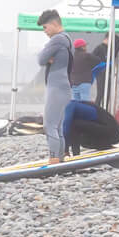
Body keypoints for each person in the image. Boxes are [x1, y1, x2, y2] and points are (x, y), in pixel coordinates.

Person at [32, 9, 72, 165]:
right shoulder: (67, 37)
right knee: (58, 126)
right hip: (63, 86)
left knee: (49, 125)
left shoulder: (57, 39)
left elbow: (41, 59)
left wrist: (47, 56)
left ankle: (54, 160)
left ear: (54, 24)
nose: (45, 32)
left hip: (56, 86)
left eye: (45, 28)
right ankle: (59, 158)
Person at [68, 38, 98, 104]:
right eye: (85, 46)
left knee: (76, 104)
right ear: (82, 47)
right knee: (85, 104)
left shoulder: (71, 57)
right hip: (84, 83)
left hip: (73, 84)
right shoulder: (87, 55)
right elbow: (98, 61)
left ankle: (77, 114)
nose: (86, 47)